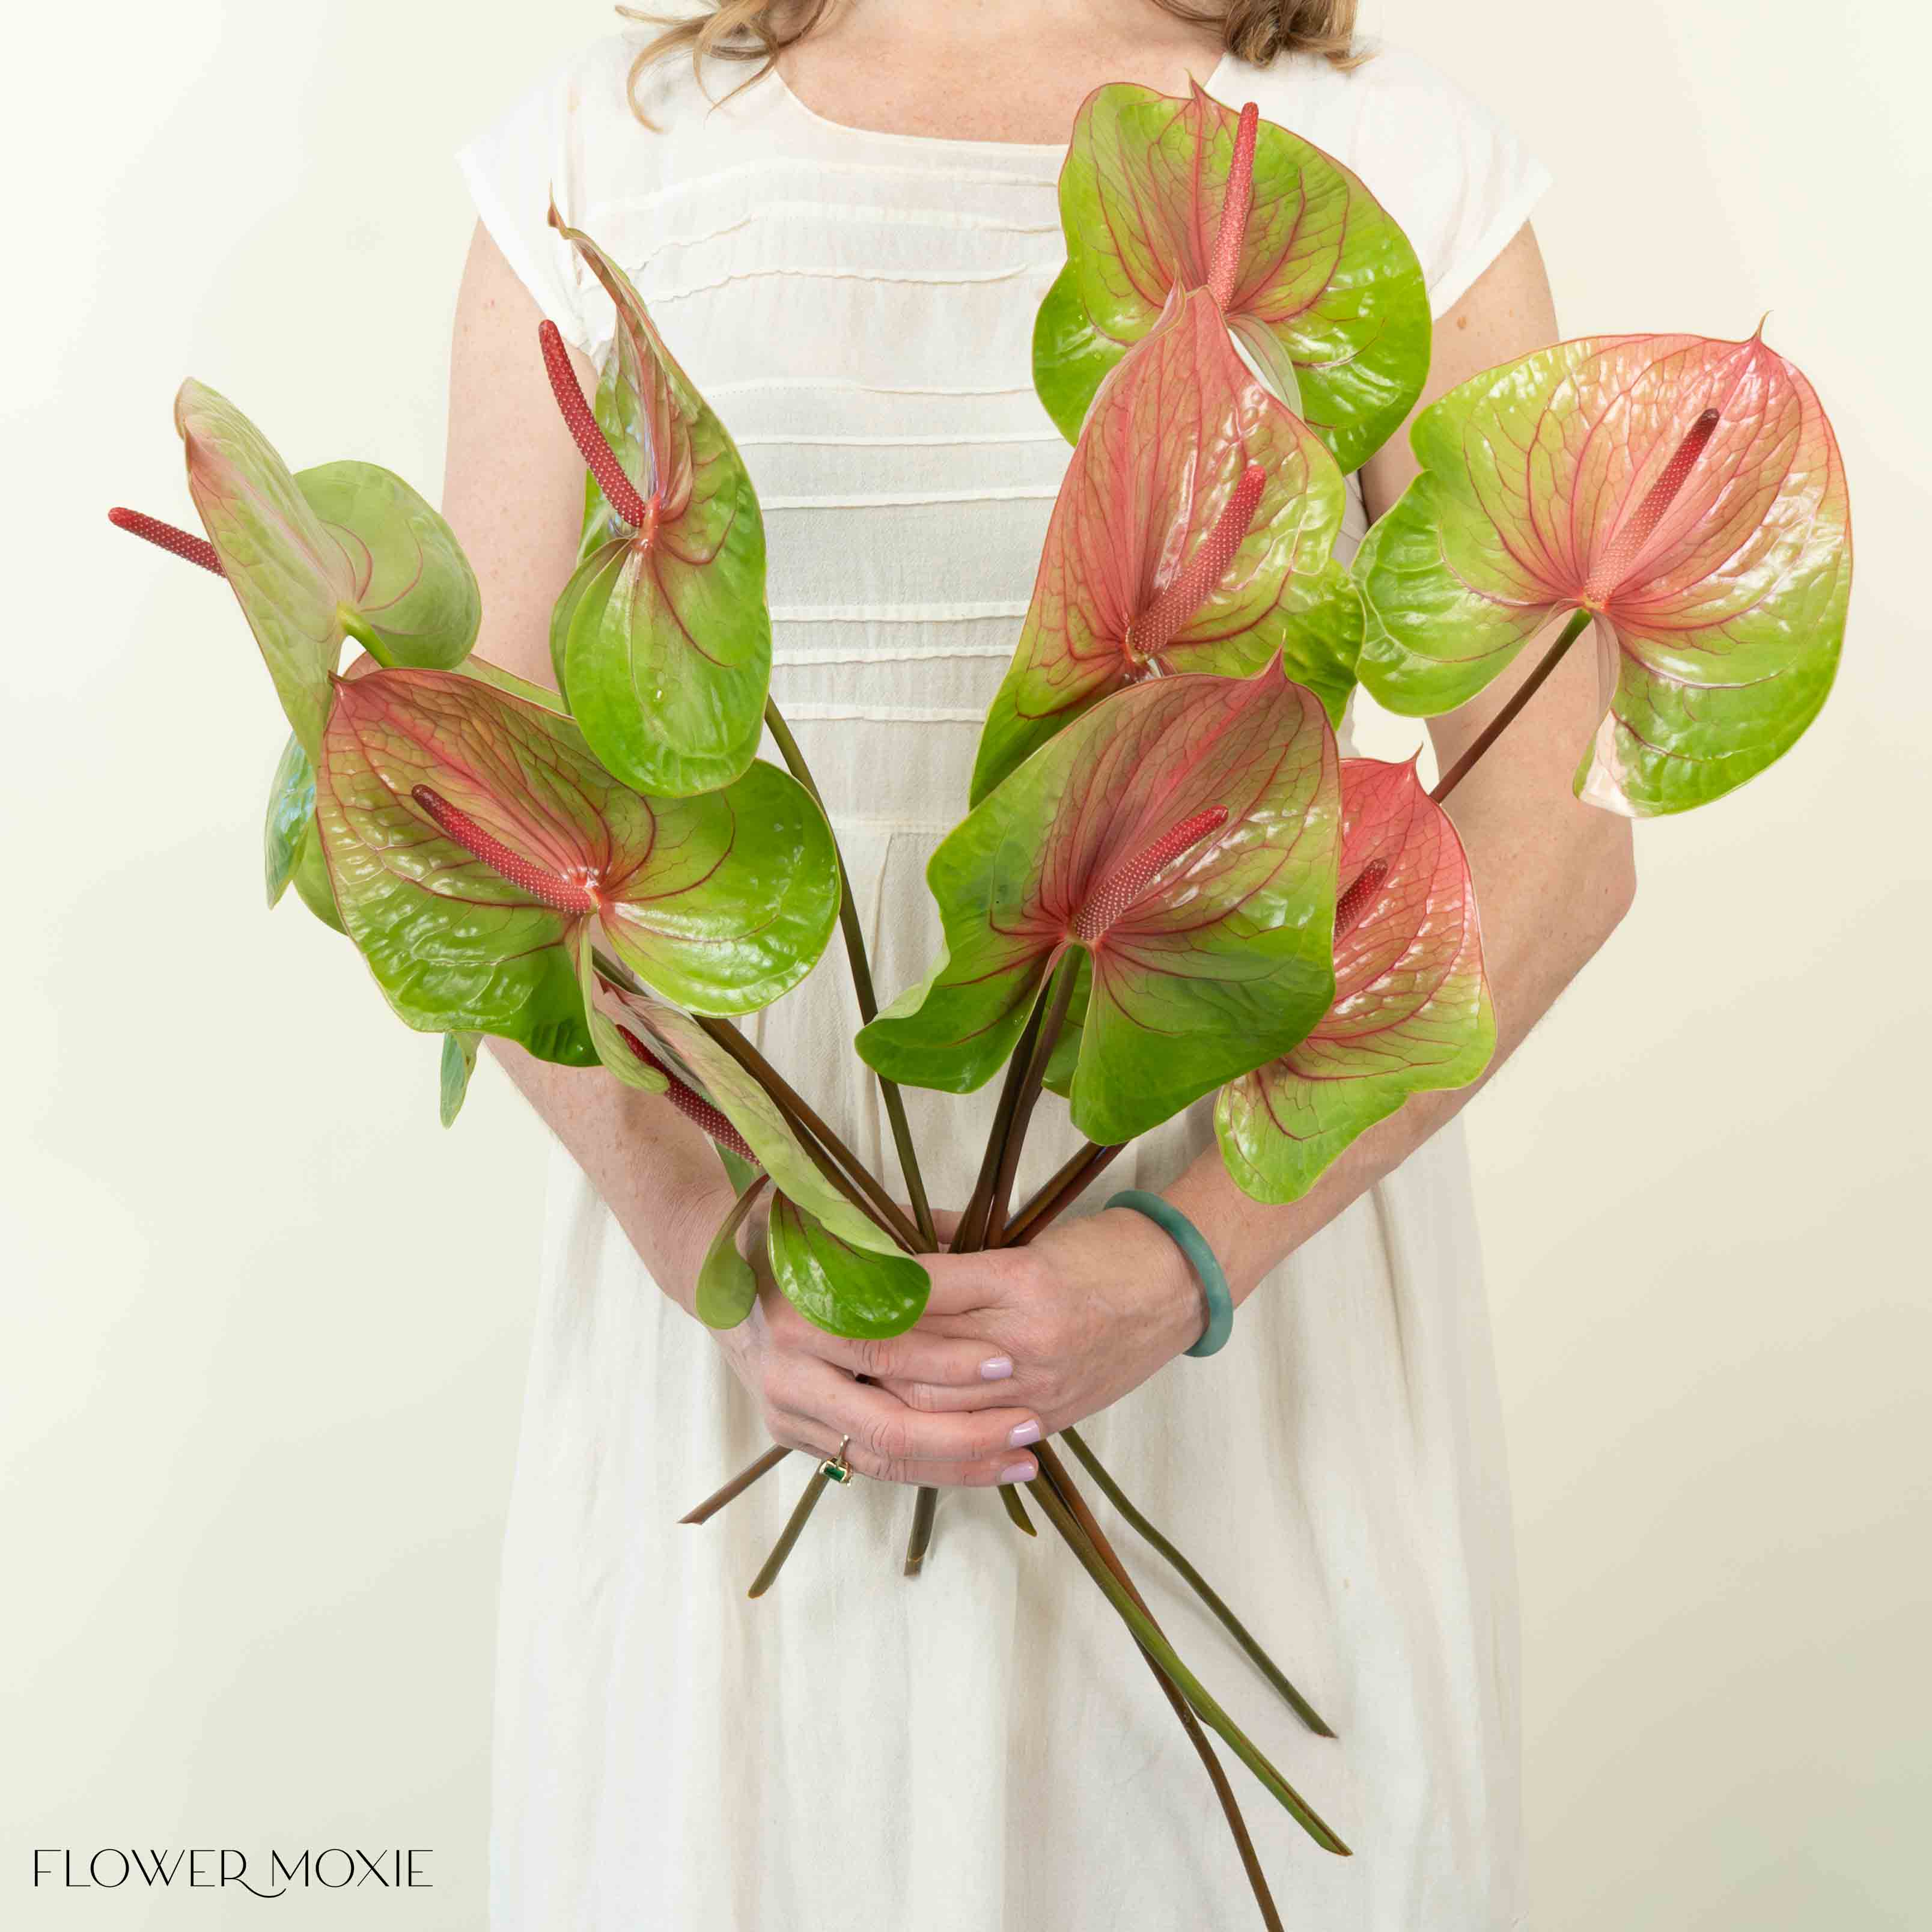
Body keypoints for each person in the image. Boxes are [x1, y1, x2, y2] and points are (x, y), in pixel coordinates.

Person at [448, 3, 1632, 1924]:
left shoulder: (1377, 163)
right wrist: (718, 1251)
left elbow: (1558, 833)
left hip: (1229, 1277)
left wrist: (1186, 1263)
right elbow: (462, 803)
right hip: (761, 1326)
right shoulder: (601, 163)